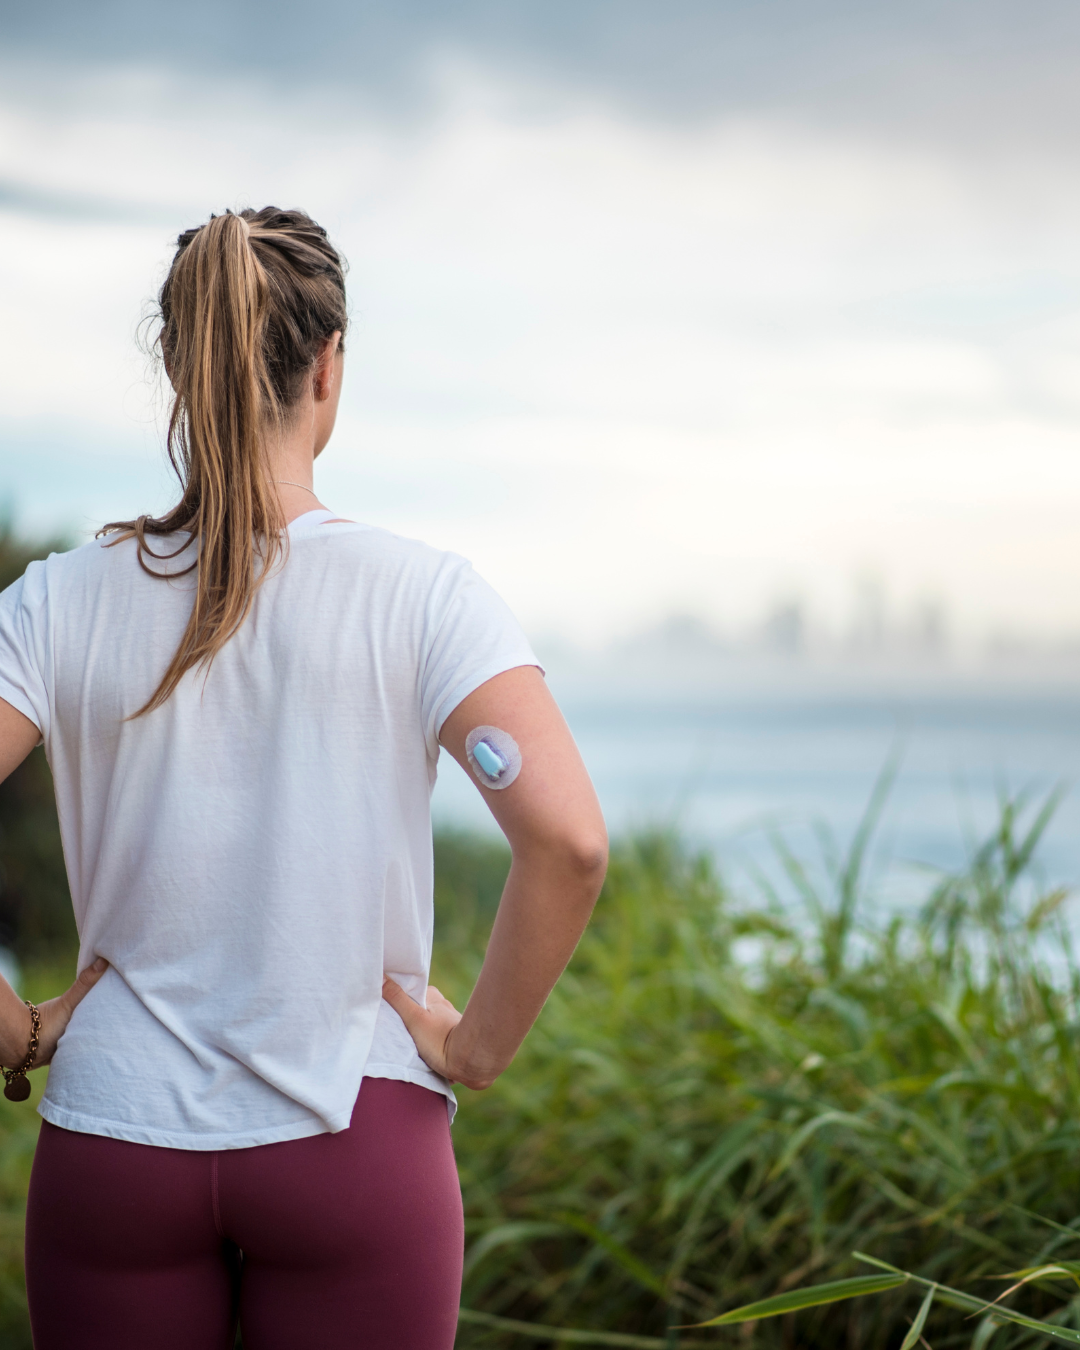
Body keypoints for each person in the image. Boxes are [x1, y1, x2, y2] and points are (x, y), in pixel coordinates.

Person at [0, 207, 607, 1349]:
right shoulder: (424, 596)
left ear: (179, 369)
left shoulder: (57, 602)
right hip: (357, 1134)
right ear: (328, 370)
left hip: (117, 1139)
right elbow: (569, 843)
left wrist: (11, 1028)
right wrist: (473, 1048)